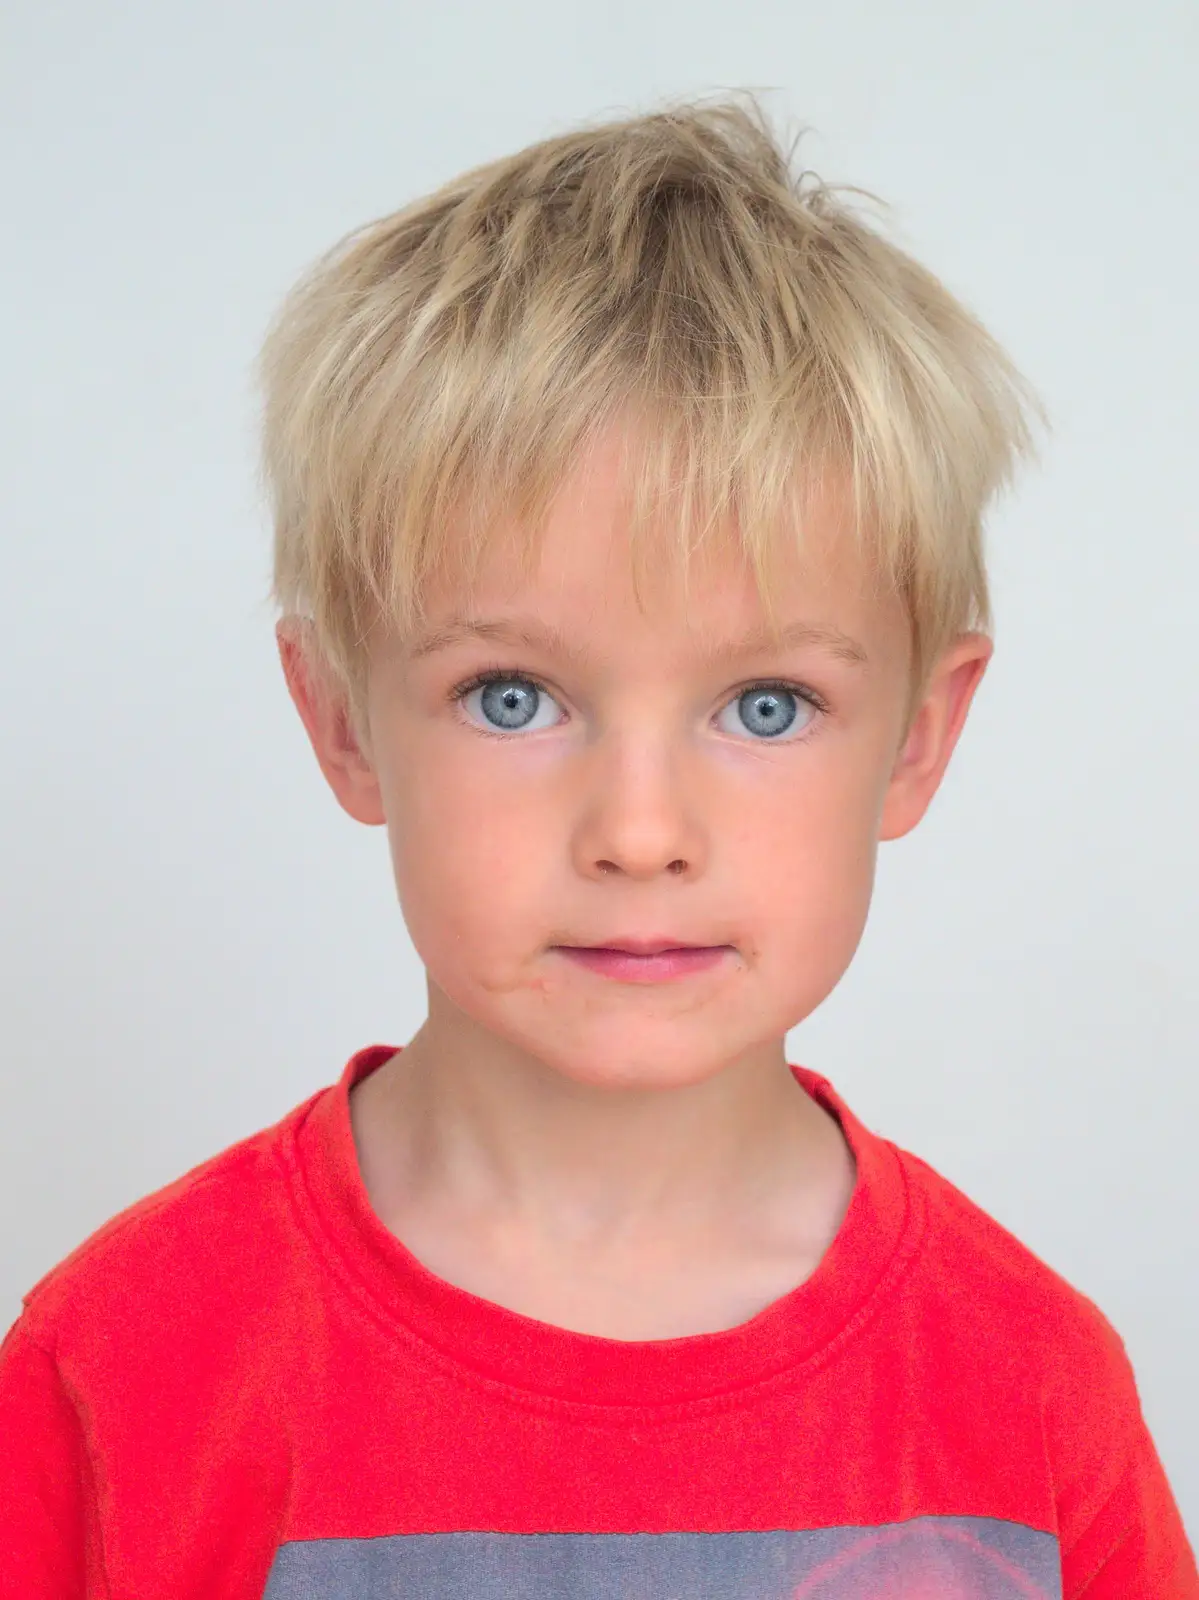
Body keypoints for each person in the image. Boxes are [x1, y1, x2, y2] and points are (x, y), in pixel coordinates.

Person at [1, 92, 1194, 1600]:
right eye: (515, 697)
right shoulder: (124, 1364)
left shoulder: (1028, 1389)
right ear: (343, 722)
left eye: (766, 704)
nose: (639, 833)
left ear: (917, 737)